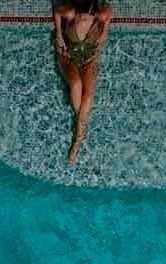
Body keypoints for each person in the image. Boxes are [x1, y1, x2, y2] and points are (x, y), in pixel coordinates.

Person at [53, 0, 111, 165]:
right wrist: (59, 35)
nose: (85, 19)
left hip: (89, 60)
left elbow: (107, 20)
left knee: (88, 96)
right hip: (68, 58)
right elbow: (57, 11)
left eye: (89, 17)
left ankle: (78, 136)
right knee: (76, 85)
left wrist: (102, 37)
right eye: (83, 17)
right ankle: (80, 132)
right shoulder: (71, 13)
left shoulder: (101, 14)